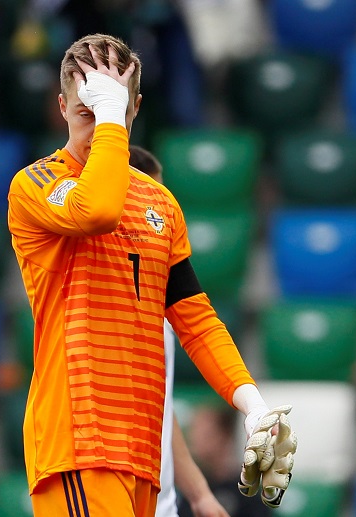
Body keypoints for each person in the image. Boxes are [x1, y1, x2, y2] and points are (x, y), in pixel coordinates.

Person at [7, 33, 296, 516]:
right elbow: (96, 210)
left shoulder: (160, 203)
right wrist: (109, 119)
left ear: (135, 106)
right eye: (86, 113)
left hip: (143, 453)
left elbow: (196, 318)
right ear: (61, 106)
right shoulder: (37, 183)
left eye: (113, 112)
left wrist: (253, 406)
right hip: (80, 445)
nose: (97, 127)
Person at [129, 144, 229, 517]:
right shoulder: (107, 310)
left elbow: (160, 414)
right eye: (151, 199)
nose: (160, 216)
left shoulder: (163, 310)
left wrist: (200, 494)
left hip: (162, 505)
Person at [180, 406, 271, 517]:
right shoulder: (191, 486)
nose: (195, 440)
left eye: (205, 434)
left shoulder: (248, 490)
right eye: (194, 432)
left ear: (224, 435)